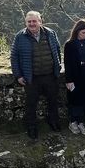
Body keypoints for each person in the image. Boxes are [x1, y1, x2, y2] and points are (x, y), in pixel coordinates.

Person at [10, 10, 62, 139]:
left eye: (34, 21)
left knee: (53, 101)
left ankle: (53, 121)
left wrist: (58, 66)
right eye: (29, 21)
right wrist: (18, 75)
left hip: (50, 75)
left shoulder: (50, 33)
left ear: (40, 21)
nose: (32, 23)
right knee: (31, 104)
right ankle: (31, 127)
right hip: (31, 77)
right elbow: (14, 56)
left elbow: (58, 50)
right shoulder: (20, 36)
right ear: (26, 22)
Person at [63, 19, 85, 135]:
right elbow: (67, 63)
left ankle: (81, 122)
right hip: (75, 76)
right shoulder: (69, 45)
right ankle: (73, 122)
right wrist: (69, 80)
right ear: (77, 31)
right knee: (74, 100)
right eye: (83, 33)